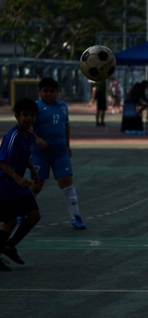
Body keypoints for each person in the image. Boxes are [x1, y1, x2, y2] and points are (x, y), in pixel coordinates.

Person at [31, 77, 86, 230]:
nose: (49, 94)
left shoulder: (62, 107)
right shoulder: (35, 107)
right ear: (39, 92)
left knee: (66, 181)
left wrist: (67, 145)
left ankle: (76, 216)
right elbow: (26, 127)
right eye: (45, 91)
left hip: (59, 152)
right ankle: (22, 210)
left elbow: (66, 126)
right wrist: (36, 139)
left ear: (57, 93)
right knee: (36, 185)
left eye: (52, 91)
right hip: (39, 153)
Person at [0, 98, 45, 271]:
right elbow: (2, 162)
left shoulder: (30, 136)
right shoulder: (13, 136)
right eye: (25, 115)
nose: (29, 118)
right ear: (17, 116)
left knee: (34, 216)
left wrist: (32, 168)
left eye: (32, 115)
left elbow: (22, 156)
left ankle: (10, 246)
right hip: (5, 186)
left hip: (18, 187)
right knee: (9, 221)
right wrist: (18, 178)